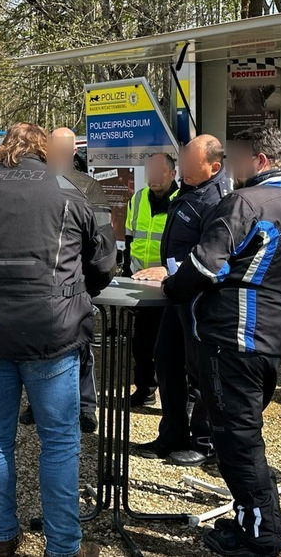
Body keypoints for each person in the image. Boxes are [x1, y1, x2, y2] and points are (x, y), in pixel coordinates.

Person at [0, 123, 116, 557]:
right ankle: (63, 546)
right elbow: (103, 260)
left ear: (5, 148)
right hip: (52, 329)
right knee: (60, 440)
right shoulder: (65, 188)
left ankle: (3, 537)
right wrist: (81, 291)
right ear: (43, 149)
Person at [163, 126, 281, 557]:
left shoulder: (244, 202)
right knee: (243, 438)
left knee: (236, 442)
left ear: (260, 161)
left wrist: (172, 288)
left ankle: (260, 537)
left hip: (232, 338)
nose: (232, 168)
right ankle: (262, 523)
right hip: (268, 337)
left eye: (238, 160)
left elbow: (206, 266)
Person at [133, 136, 229, 467]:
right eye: (184, 159)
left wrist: (170, 268)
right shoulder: (187, 192)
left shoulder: (217, 201)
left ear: (214, 167)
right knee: (166, 359)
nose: (185, 167)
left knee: (200, 371)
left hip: (200, 298)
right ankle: (171, 435)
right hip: (176, 295)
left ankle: (204, 441)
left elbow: (214, 253)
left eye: (192, 162)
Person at [19, 127, 106, 433]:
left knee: (81, 347)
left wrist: (89, 285)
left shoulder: (89, 187)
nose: (55, 156)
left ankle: (85, 407)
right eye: (51, 150)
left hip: (77, 282)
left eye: (61, 151)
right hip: (40, 286)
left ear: (72, 153)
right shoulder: (31, 186)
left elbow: (101, 246)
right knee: (36, 350)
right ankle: (36, 404)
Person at [122, 152, 179, 407]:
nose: (154, 178)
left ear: (172, 174)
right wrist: (127, 272)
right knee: (142, 343)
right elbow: (130, 238)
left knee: (171, 347)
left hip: (171, 284)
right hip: (140, 283)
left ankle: (178, 399)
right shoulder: (137, 199)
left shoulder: (183, 201)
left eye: (160, 172)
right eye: (151, 172)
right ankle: (145, 389)